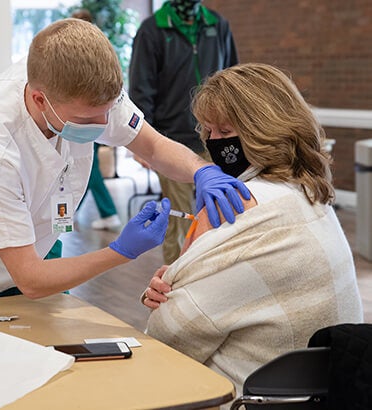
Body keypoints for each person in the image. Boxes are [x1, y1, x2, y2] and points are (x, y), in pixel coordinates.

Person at [0, 18, 249, 306]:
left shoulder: (90, 92)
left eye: (107, 113)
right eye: (87, 118)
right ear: (38, 99)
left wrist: (201, 170)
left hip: (41, 246)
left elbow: (151, 145)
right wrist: (120, 251)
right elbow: (31, 280)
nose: (103, 125)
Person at [141, 63, 363, 398]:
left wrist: (173, 287)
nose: (214, 144)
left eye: (226, 133)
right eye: (208, 132)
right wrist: (184, 279)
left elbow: (166, 338)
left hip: (243, 397)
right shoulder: (308, 194)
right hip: (316, 393)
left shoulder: (243, 208)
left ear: (266, 129)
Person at [129, 0, 238, 264]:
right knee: (178, 218)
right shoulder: (152, 29)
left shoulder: (217, 24)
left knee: (223, 212)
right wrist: (142, 144)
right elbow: (141, 89)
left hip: (218, 139)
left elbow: (235, 78)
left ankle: (218, 270)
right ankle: (176, 279)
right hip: (171, 141)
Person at [71, 8, 122, 230]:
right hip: (91, 117)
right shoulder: (102, 50)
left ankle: (108, 212)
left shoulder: (89, 54)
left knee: (89, 169)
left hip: (88, 119)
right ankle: (71, 212)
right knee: (87, 168)